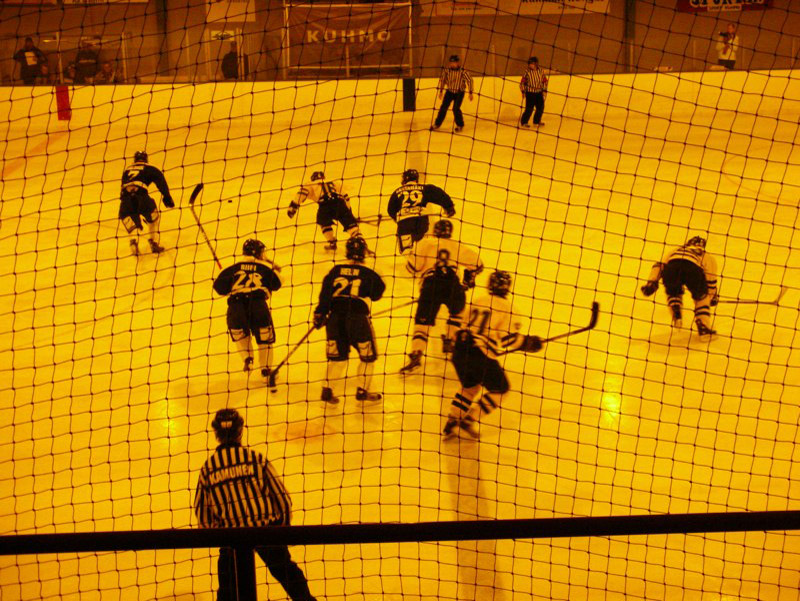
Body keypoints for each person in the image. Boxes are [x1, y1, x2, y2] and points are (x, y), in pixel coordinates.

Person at [194, 408, 318, 601]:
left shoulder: (208, 468)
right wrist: (282, 530)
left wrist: (221, 534)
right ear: (240, 430)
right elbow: (282, 498)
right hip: (266, 530)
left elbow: (203, 514)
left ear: (216, 433)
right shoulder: (255, 459)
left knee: (228, 588)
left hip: (230, 536)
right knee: (288, 573)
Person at [443, 271, 543, 440]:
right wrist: (528, 343)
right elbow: (507, 339)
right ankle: (469, 421)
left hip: (459, 351)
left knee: (470, 388)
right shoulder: (509, 309)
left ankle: (452, 421)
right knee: (501, 390)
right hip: (479, 353)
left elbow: (462, 324)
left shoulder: (478, 300)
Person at [400, 219, 483, 375]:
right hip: (453, 285)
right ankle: (450, 340)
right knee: (457, 314)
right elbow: (478, 264)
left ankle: (417, 354)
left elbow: (412, 268)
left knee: (422, 323)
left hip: (430, 285)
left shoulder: (425, 243)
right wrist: (468, 277)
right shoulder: (456, 245)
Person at [313, 236, 385, 404]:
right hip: (358, 319)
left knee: (337, 359)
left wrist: (320, 313)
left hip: (335, 318)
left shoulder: (335, 270)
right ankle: (362, 391)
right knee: (368, 357)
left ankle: (327, 390)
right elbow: (376, 295)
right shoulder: (370, 272)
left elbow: (325, 294)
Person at [213, 239, 282, 387]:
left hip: (235, 307)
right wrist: (273, 267)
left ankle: (247, 358)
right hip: (258, 305)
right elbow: (278, 283)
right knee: (265, 339)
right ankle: (266, 372)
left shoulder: (232, 268)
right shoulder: (264, 267)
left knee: (241, 336)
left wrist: (228, 281)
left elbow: (219, 287)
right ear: (257, 253)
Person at [640, 236, 719, 337]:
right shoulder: (707, 257)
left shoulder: (676, 250)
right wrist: (711, 297)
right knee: (701, 297)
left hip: (672, 268)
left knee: (673, 291)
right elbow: (711, 280)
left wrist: (652, 282)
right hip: (693, 270)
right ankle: (703, 327)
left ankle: (676, 309)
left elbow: (659, 265)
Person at [287, 170, 368, 252]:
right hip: (339, 202)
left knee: (324, 224)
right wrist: (349, 213)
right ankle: (359, 240)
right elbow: (346, 197)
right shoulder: (333, 182)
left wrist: (293, 207)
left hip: (325, 205)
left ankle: (332, 242)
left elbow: (302, 193)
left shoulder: (310, 184)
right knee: (351, 226)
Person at [387, 169, 456, 256]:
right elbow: (439, 194)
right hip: (421, 222)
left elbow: (390, 209)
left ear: (404, 179)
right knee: (422, 251)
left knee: (407, 252)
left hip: (405, 224)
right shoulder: (424, 188)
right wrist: (449, 207)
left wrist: (398, 219)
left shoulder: (397, 192)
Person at [119, 151, 174, 256]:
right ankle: (153, 242)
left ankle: (133, 241)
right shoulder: (150, 168)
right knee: (154, 217)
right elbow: (161, 181)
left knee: (131, 220)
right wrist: (167, 197)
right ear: (146, 159)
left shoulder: (127, 170)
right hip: (141, 197)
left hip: (125, 199)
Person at [430, 55, 474, 133]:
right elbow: (443, 80)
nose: (452, 64)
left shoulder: (463, 71)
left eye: (454, 62)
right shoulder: (447, 71)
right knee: (443, 107)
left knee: (455, 108)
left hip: (459, 92)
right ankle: (437, 124)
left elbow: (470, 80)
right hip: (449, 91)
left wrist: (470, 92)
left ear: (457, 63)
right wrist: (441, 91)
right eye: (451, 62)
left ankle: (460, 125)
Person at [519, 56, 548, 128]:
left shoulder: (541, 71)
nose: (530, 65)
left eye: (532, 63)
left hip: (539, 93)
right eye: (529, 64)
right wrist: (523, 92)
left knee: (540, 108)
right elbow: (522, 83)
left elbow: (545, 81)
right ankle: (524, 122)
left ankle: (536, 121)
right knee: (529, 109)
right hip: (530, 93)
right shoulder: (527, 72)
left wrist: (544, 90)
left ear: (536, 64)